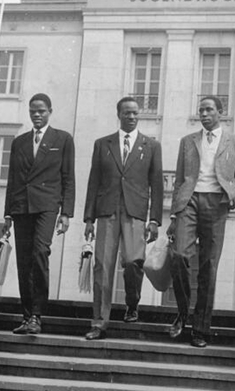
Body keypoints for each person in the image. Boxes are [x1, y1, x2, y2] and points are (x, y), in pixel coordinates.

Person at [167, 96, 235, 348]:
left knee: (209, 267)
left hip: (217, 204)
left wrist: (233, 198)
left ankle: (201, 329)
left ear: (220, 112)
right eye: (201, 110)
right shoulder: (188, 141)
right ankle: (183, 311)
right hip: (189, 202)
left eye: (209, 109)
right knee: (179, 254)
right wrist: (173, 214)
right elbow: (180, 180)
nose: (204, 114)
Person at [83, 96, 163, 340]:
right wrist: (89, 218)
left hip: (135, 211)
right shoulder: (102, 144)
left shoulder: (151, 146)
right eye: (127, 112)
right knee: (103, 266)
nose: (131, 116)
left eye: (135, 113)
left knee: (132, 262)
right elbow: (93, 181)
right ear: (119, 114)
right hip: (107, 211)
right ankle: (99, 322)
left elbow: (156, 185)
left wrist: (154, 220)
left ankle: (132, 303)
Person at [3, 93, 75, 335]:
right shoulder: (19, 142)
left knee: (40, 252)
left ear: (50, 111)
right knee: (24, 260)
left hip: (47, 205)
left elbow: (68, 178)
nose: (37, 114)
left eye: (41, 111)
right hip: (21, 207)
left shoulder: (62, 139)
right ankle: (27, 316)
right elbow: (12, 179)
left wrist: (66, 213)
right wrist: (7, 215)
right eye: (33, 110)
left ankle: (37, 313)